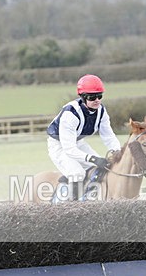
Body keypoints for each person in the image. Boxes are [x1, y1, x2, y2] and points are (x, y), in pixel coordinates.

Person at [46, 74, 122, 202]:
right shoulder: (70, 114)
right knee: (77, 173)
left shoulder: (101, 111)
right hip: (59, 145)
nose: (97, 100)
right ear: (83, 97)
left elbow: (108, 136)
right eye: (92, 97)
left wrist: (117, 151)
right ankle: (68, 205)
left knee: (102, 167)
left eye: (99, 96)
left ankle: (91, 197)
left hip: (78, 142)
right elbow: (69, 149)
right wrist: (93, 158)